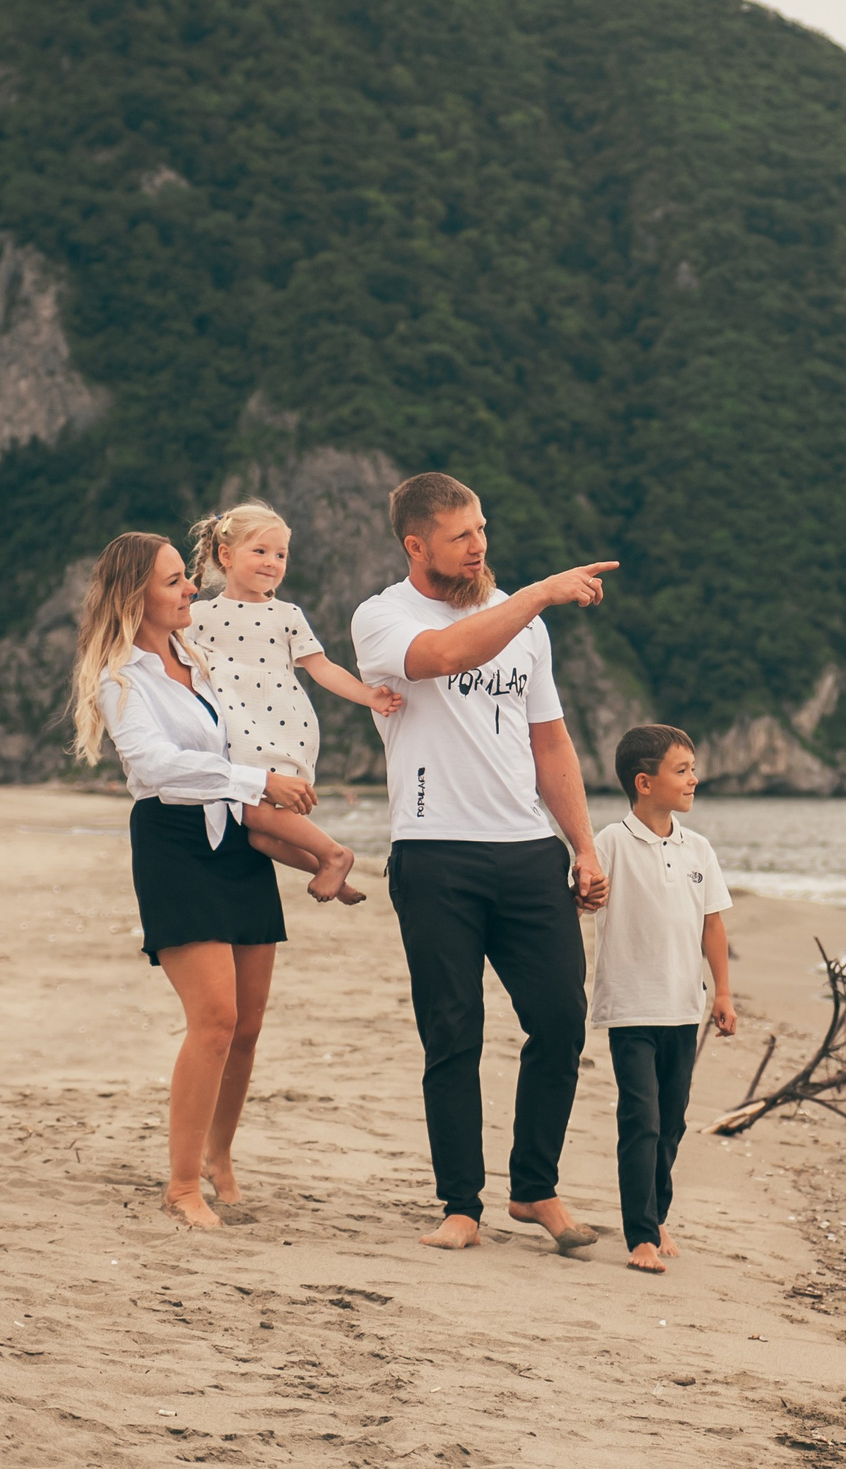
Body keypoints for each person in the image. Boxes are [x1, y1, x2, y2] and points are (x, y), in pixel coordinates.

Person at [349, 472, 618, 1252]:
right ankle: (460, 1204)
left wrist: (585, 845)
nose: (479, 544)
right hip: (435, 852)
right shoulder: (384, 616)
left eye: (483, 529)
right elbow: (438, 655)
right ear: (417, 544)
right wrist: (535, 594)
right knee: (454, 1028)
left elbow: (550, 741)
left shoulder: (524, 627)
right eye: (463, 534)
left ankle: (534, 1190)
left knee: (561, 1020)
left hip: (528, 850)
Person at [69, 531, 313, 1230]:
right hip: (174, 842)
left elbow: (243, 731)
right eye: (175, 582)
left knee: (248, 1024)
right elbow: (155, 766)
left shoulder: (195, 658)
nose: (190, 591)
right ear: (135, 595)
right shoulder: (117, 676)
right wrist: (257, 779)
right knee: (213, 1019)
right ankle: (182, 1185)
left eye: (187, 577)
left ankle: (219, 1155)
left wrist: (300, 827)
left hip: (233, 837)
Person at [185, 501, 404, 903]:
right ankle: (329, 865)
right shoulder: (199, 615)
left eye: (281, 554)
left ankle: (335, 855)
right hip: (233, 727)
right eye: (261, 551)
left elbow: (322, 668)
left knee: (254, 810)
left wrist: (368, 696)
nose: (272, 562)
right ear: (226, 555)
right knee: (261, 836)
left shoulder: (286, 614)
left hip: (281, 723)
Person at [591, 725, 735, 1275]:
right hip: (630, 1008)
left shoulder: (697, 848)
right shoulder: (608, 843)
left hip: (684, 1007)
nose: (694, 779)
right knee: (642, 1119)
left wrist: (722, 992)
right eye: (683, 771)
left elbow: (712, 925)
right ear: (644, 782)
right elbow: (581, 899)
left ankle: (657, 1215)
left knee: (671, 1122)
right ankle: (641, 1236)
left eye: (693, 768)